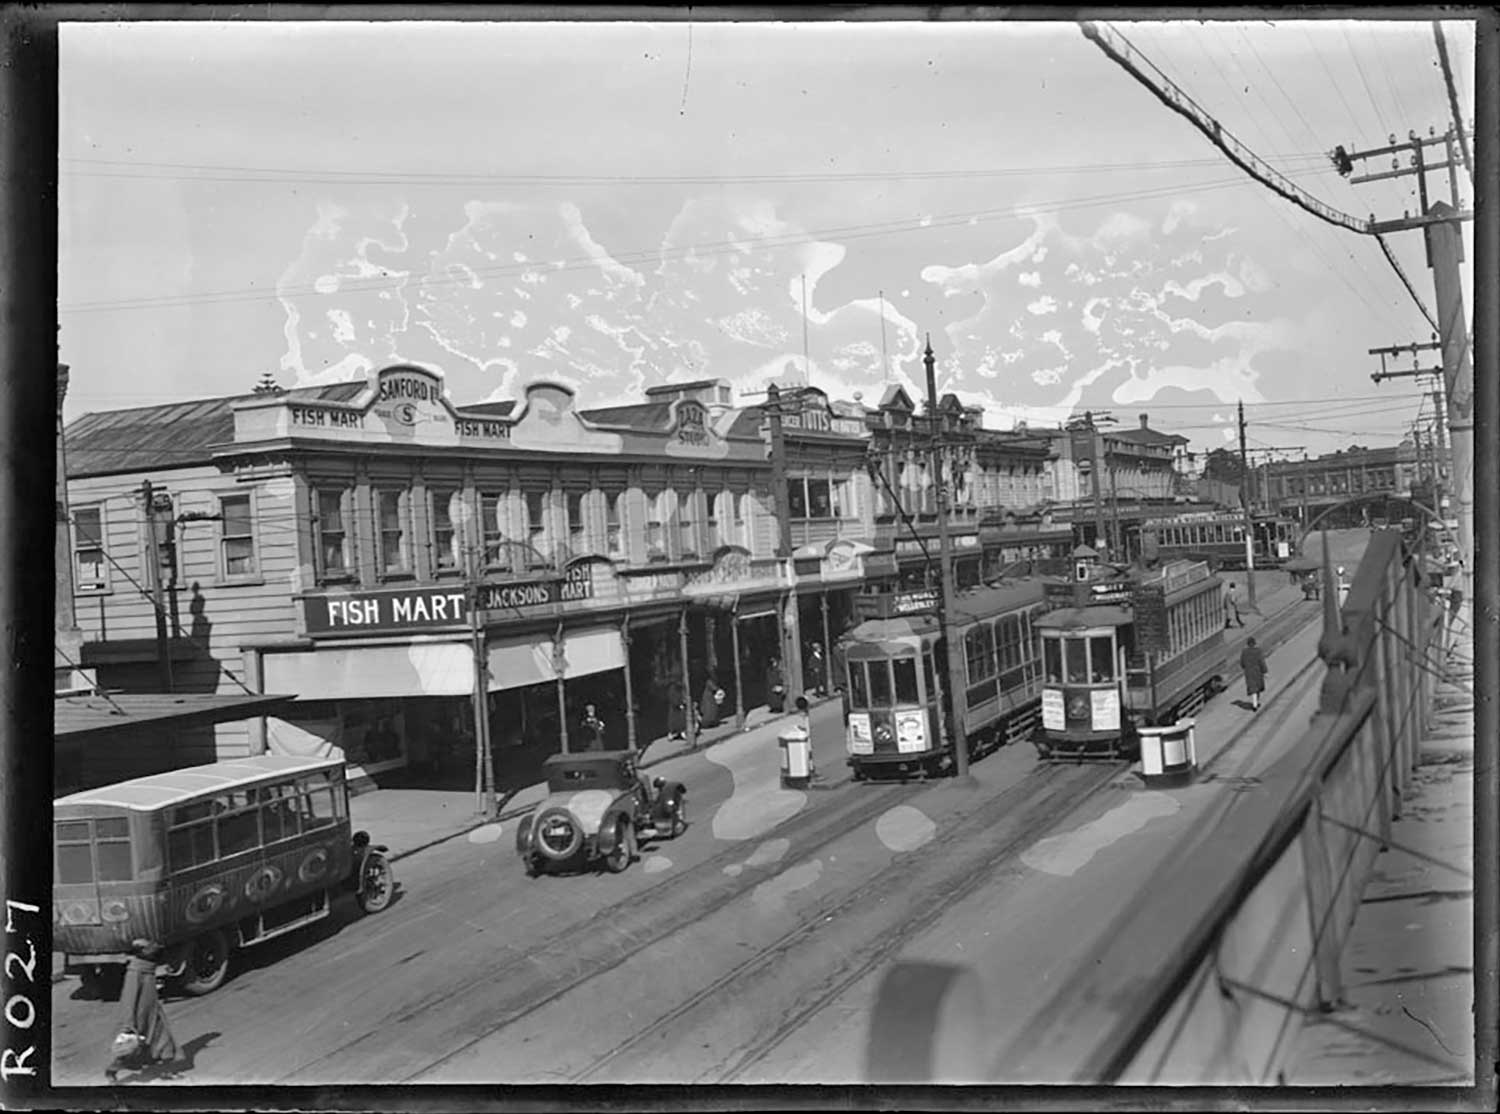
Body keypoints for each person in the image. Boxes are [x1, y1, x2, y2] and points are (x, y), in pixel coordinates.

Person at [105, 939, 178, 1083]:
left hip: (153, 1014)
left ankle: (167, 1071)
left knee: (165, 1041)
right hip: (138, 1018)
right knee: (131, 1050)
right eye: (149, 949)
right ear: (142, 953)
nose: (154, 950)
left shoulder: (147, 969)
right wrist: (128, 1025)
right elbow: (129, 1000)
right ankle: (111, 1071)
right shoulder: (135, 972)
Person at [1239, 635, 1269, 712]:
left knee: (1253, 688)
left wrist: (1245, 667)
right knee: (1257, 688)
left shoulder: (1244, 652)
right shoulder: (1258, 651)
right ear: (1254, 643)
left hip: (1249, 673)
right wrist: (1265, 671)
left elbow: (1242, 663)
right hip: (1257, 672)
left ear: (1248, 644)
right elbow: (1261, 662)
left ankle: (1255, 704)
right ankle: (1255, 703)